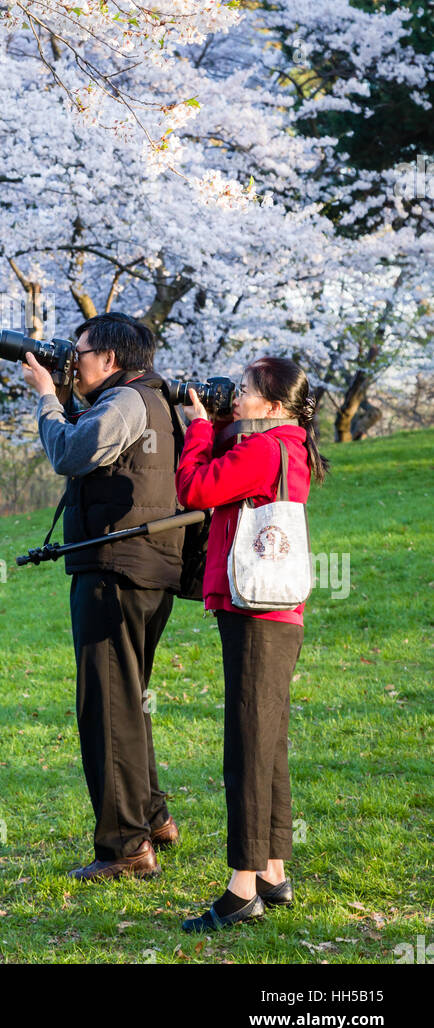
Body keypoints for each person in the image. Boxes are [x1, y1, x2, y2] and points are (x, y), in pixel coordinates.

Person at [22, 312, 184, 881]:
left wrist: (46, 397)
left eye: (82, 353)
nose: (74, 361)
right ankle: (154, 818)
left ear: (112, 360)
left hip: (114, 569)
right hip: (148, 567)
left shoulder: (126, 403)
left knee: (107, 708)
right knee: (129, 700)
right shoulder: (156, 401)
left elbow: (69, 452)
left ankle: (126, 849)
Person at [175, 356, 328, 932]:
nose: (235, 399)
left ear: (273, 402)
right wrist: (221, 430)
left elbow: (195, 490)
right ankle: (272, 870)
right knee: (270, 742)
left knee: (246, 745)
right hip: (279, 612)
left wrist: (198, 429)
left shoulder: (263, 449)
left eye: (244, 391)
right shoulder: (289, 447)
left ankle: (242, 888)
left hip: (254, 610)